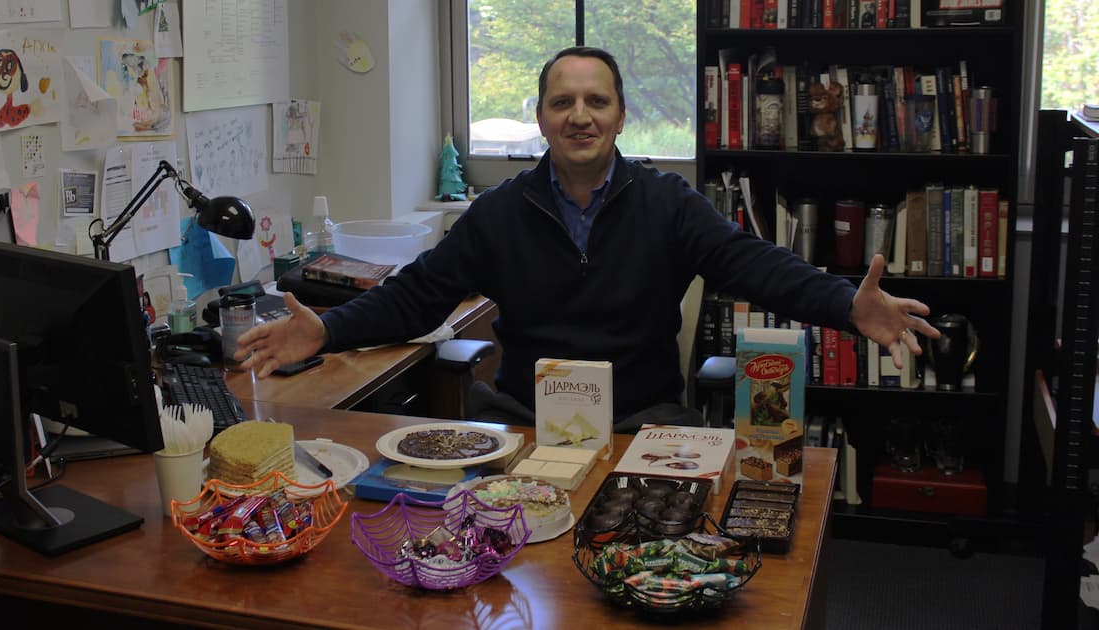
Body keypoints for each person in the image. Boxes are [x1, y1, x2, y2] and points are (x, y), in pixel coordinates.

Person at [235, 46, 939, 429]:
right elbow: (418, 296)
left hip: (644, 421)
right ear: (540, 118)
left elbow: (753, 266)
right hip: (524, 420)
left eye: (596, 101)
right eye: (562, 102)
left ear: (621, 116)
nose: (580, 116)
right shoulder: (499, 214)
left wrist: (847, 305)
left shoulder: (669, 205)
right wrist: (327, 332)